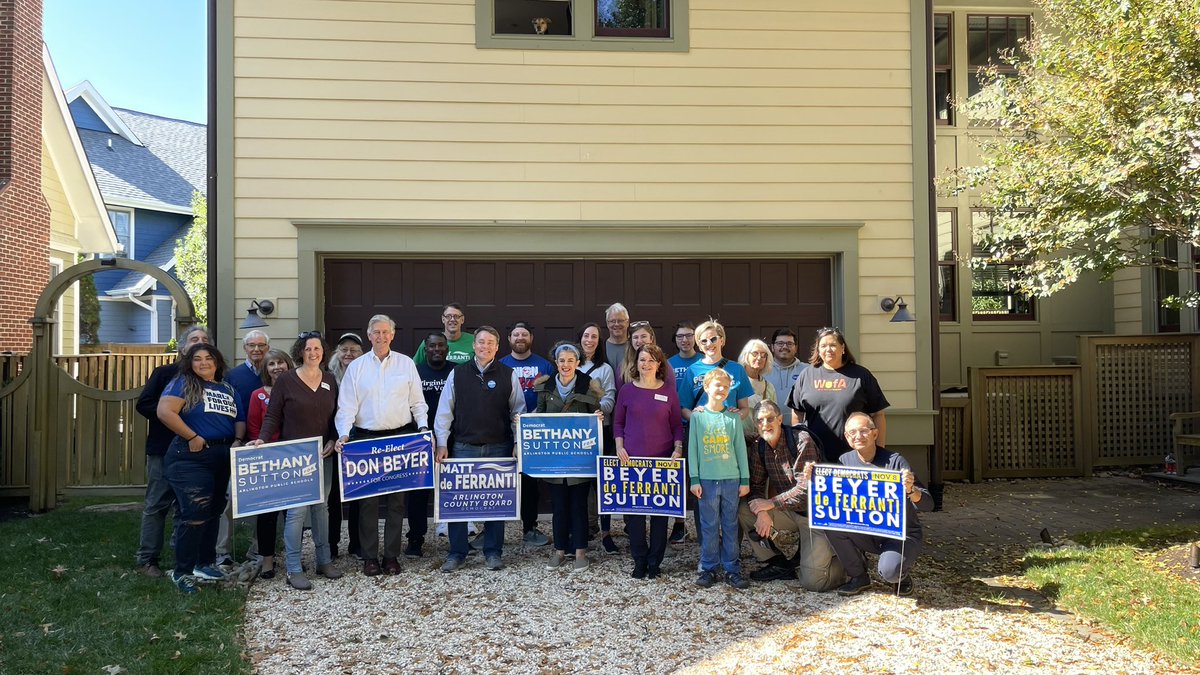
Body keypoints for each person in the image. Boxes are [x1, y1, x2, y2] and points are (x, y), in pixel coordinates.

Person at [334, 315, 429, 576]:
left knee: (397, 502)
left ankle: (391, 555)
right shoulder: (357, 367)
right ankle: (369, 557)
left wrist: (423, 428)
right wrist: (343, 434)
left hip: (400, 438)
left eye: (385, 332)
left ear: (393, 335)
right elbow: (347, 406)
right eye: (376, 332)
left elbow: (417, 402)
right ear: (368, 335)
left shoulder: (406, 364)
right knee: (368, 503)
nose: (381, 336)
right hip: (366, 439)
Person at [799, 412, 931, 596]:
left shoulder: (895, 461)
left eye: (863, 431)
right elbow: (832, 498)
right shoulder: (845, 461)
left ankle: (900, 575)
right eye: (852, 433)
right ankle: (858, 576)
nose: (858, 436)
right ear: (846, 437)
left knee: (889, 572)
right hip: (867, 530)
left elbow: (928, 504)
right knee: (833, 524)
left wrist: (910, 489)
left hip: (901, 534)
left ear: (875, 434)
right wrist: (813, 478)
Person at [255, 332, 345, 590]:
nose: (313, 353)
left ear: (323, 352)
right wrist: (262, 439)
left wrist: (333, 438)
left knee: (321, 507)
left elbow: (337, 416)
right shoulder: (286, 380)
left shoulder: (329, 380)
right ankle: (293, 568)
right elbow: (272, 416)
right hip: (294, 455)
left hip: (323, 453)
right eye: (308, 349)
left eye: (317, 348)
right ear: (300, 352)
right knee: (296, 512)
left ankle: (324, 560)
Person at [434, 326, 526, 572]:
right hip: (464, 446)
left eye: (490, 343)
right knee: (458, 503)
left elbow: (518, 412)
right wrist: (442, 443)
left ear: (497, 347)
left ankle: (493, 552)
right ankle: (456, 553)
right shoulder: (458, 373)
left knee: (496, 502)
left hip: (499, 447)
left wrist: (518, 442)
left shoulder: (509, 374)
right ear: (473, 345)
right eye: (481, 342)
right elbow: (445, 411)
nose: (485, 346)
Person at [156, 343, 245, 594]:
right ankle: (182, 572)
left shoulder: (226, 387)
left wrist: (238, 440)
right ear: (190, 363)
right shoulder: (184, 382)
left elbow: (238, 417)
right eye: (197, 359)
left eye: (208, 358)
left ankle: (203, 563)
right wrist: (192, 436)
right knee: (194, 512)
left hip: (221, 453)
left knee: (214, 509)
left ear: (217, 361)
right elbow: (165, 411)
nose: (203, 363)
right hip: (190, 456)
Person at [740, 401, 845, 591]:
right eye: (760, 421)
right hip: (787, 511)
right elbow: (756, 484)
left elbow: (806, 490)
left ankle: (848, 561)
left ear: (780, 419)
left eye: (770, 419)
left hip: (813, 516)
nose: (765, 424)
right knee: (745, 510)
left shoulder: (801, 441)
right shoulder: (759, 446)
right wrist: (762, 511)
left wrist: (770, 503)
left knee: (813, 582)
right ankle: (777, 563)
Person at [133, 324, 209, 578]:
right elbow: (144, 404)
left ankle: (183, 558)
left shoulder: (211, 377)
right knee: (157, 503)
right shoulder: (165, 373)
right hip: (164, 448)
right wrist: (173, 415)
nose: (199, 342)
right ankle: (147, 559)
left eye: (204, 339)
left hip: (196, 451)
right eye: (194, 339)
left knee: (187, 505)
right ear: (183, 347)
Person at [613, 343, 683, 580]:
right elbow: (618, 423)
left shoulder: (669, 391)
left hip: (661, 461)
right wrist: (619, 447)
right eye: (642, 360)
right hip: (632, 461)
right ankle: (639, 559)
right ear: (636, 363)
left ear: (659, 364)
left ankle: (655, 561)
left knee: (660, 514)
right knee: (634, 514)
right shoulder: (626, 390)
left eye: (651, 360)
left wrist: (678, 448)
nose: (646, 364)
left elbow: (676, 426)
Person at [534, 342, 605, 571]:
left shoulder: (589, 387)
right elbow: (541, 417)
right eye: (562, 360)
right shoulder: (544, 387)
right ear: (556, 362)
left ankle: (581, 551)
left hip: (579, 460)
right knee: (559, 507)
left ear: (578, 362)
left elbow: (594, 419)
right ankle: (560, 551)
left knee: (579, 506)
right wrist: (526, 422)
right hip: (554, 460)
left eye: (570, 360)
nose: (566, 365)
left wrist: (598, 417)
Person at [687, 368, 750, 590]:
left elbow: (740, 449)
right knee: (709, 524)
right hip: (706, 480)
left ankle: (732, 568)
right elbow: (692, 449)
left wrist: (745, 479)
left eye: (725, 386)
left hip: (731, 478)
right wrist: (694, 479)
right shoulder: (698, 416)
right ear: (706, 387)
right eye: (717, 385)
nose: (721, 390)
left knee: (731, 524)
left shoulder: (733, 417)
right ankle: (709, 567)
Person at [787, 327, 889, 461]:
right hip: (814, 455)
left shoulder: (861, 375)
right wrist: (798, 445)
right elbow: (797, 413)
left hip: (855, 456)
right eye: (823, 346)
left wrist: (878, 452)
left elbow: (878, 414)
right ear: (818, 350)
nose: (828, 349)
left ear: (843, 348)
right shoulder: (807, 375)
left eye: (833, 345)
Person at [215, 329, 271, 567]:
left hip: (266, 446)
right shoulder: (232, 376)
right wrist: (235, 438)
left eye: (261, 345)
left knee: (265, 500)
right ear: (244, 348)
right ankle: (221, 551)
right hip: (239, 444)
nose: (257, 349)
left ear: (268, 348)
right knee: (228, 498)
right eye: (252, 345)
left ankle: (258, 549)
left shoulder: (274, 373)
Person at [500, 321, 553, 547]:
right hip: (503, 431)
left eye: (524, 334)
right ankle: (493, 529)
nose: (520, 338)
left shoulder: (545, 365)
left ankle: (529, 526)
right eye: (515, 334)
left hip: (535, 432)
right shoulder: (500, 364)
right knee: (499, 480)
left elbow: (552, 398)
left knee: (530, 482)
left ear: (530, 337)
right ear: (509, 339)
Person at [245, 348, 294, 580]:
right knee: (267, 512)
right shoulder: (258, 395)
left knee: (293, 511)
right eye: (271, 364)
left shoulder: (297, 389)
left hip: (293, 456)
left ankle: (293, 555)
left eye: (281, 362)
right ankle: (267, 560)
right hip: (268, 457)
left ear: (288, 364)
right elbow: (254, 427)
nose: (277, 367)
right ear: (265, 369)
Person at [406, 333, 453, 557]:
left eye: (440, 345)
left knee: (453, 489)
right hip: (420, 439)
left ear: (447, 348)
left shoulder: (457, 371)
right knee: (418, 493)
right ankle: (416, 539)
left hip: (451, 438)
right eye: (432, 345)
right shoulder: (414, 371)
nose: (436, 349)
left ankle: (457, 538)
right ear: (425, 349)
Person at [578, 322, 618, 553]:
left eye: (594, 336)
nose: (589, 340)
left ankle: (606, 533)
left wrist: (592, 409)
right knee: (579, 482)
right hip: (575, 432)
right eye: (586, 335)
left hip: (600, 430)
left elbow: (609, 399)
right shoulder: (569, 363)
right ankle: (582, 529)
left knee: (602, 483)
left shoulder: (605, 369)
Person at [325, 332, 364, 559]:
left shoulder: (366, 374)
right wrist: (333, 436)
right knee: (333, 498)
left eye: (354, 350)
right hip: (333, 442)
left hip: (359, 441)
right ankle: (331, 544)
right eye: (344, 349)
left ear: (361, 353)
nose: (348, 354)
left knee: (358, 496)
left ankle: (357, 544)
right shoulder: (327, 377)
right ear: (337, 352)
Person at [666, 320, 701, 543]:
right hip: (674, 427)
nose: (685, 340)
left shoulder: (704, 361)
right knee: (676, 478)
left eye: (689, 335)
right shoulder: (668, 364)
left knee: (698, 477)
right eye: (680, 336)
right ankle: (679, 525)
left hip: (701, 428)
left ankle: (702, 527)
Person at [615, 321, 676, 392]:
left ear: (651, 339)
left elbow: (671, 393)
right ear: (631, 341)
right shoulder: (623, 367)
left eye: (643, 336)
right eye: (635, 337)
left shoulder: (663, 364)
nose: (639, 341)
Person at [764, 329, 806, 428]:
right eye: (780, 343)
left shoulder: (807, 370)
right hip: (768, 428)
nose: (785, 347)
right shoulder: (762, 370)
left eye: (789, 344)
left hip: (799, 429)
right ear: (773, 347)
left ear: (796, 348)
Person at [738, 339, 777, 437]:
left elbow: (775, 416)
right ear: (746, 355)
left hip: (761, 441)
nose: (759, 358)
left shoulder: (769, 387)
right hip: (739, 439)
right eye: (755, 353)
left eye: (763, 355)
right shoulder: (735, 382)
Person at [603, 302, 630, 372]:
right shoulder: (599, 347)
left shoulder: (634, 346)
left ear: (627, 322)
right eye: (612, 321)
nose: (616, 324)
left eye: (620, 320)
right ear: (607, 323)